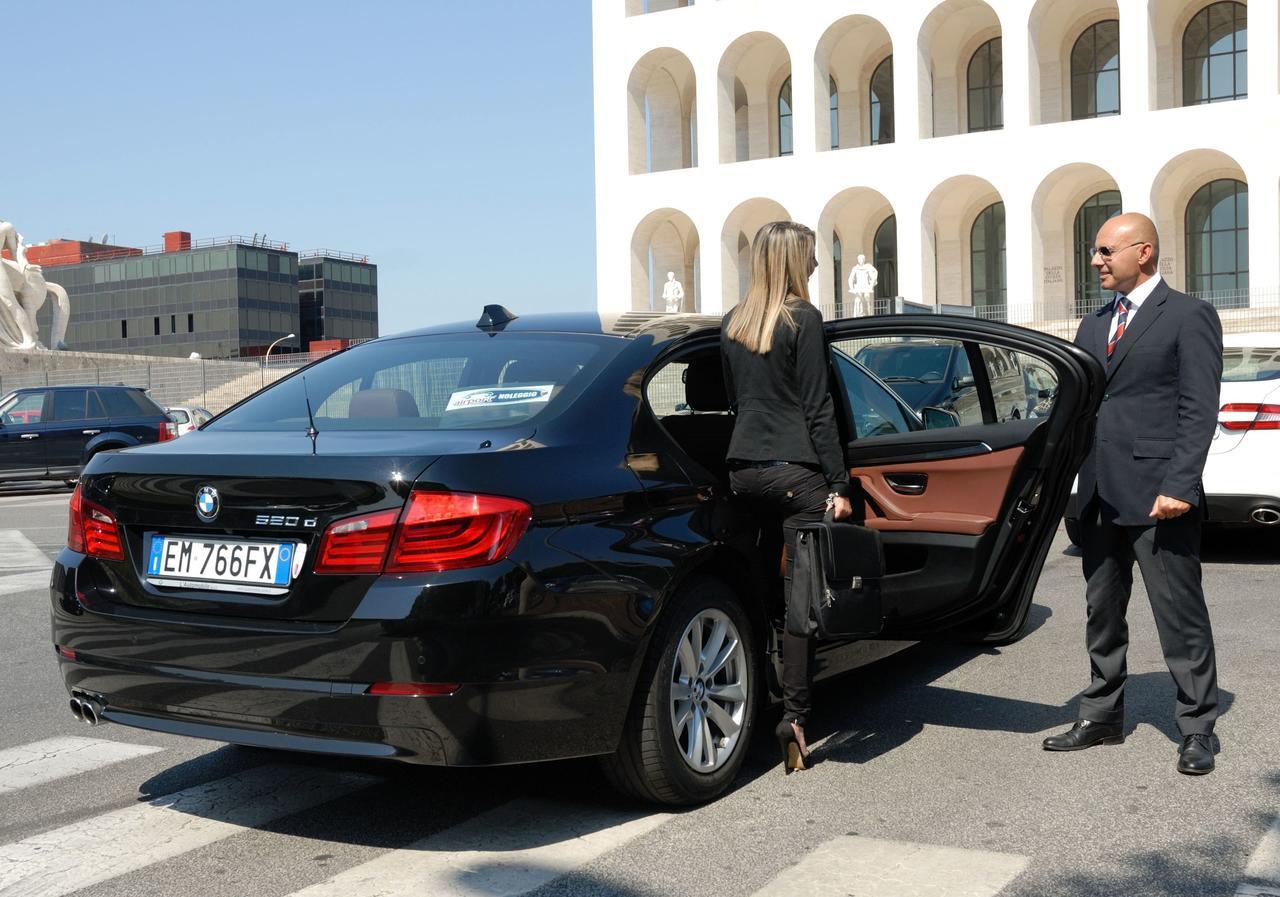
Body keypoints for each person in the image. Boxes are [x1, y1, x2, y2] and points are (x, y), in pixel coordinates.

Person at [1043, 212, 1223, 775]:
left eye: (1104, 251)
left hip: (1158, 494)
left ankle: (1197, 728)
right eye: (1095, 252)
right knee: (1102, 611)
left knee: (1179, 613)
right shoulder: (1093, 325)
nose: (1095, 261)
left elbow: (1198, 409)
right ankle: (1101, 716)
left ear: (1142, 252)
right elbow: (1079, 409)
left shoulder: (1189, 315)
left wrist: (1180, 484)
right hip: (1098, 491)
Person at [720, 220, 854, 774]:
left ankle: (756, 696)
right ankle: (795, 718)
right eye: (813, 255)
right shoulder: (805, 318)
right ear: (795, 262)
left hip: (742, 474)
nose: (819, 264)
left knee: (764, 593)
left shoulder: (733, 323)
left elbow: (735, 401)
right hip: (796, 475)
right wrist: (840, 484)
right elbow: (818, 409)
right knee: (802, 602)